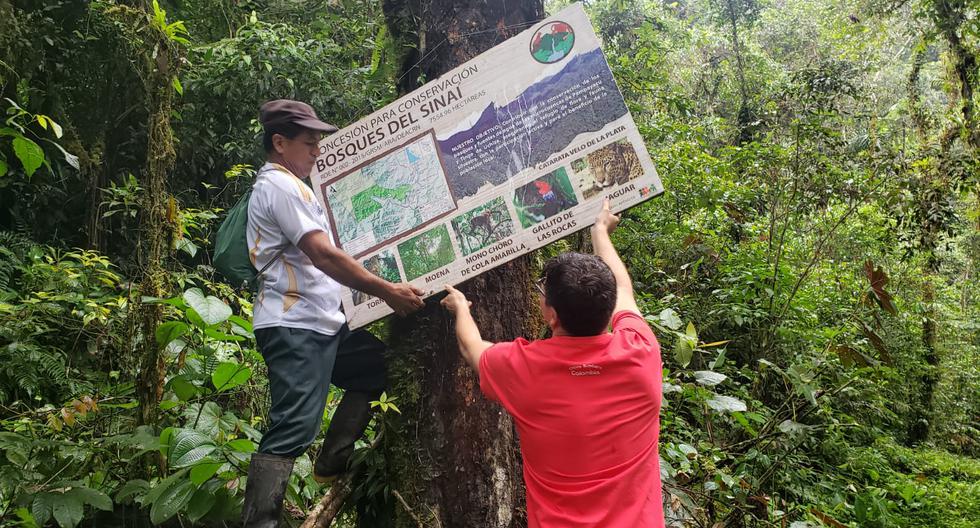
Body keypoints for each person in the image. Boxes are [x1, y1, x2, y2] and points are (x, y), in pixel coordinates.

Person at [242, 99, 425, 527]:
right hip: (294, 326)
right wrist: (388, 292)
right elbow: (322, 254)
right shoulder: (279, 187)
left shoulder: (298, 185)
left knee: (379, 370)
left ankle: (332, 459)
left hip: (325, 322)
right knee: (294, 428)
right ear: (280, 142)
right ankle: (260, 522)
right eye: (310, 143)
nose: (317, 152)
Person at [440, 199, 665, 528]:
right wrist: (601, 231)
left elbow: (471, 347)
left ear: (552, 315)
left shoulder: (526, 369)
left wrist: (461, 306)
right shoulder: (641, 352)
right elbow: (623, 287)